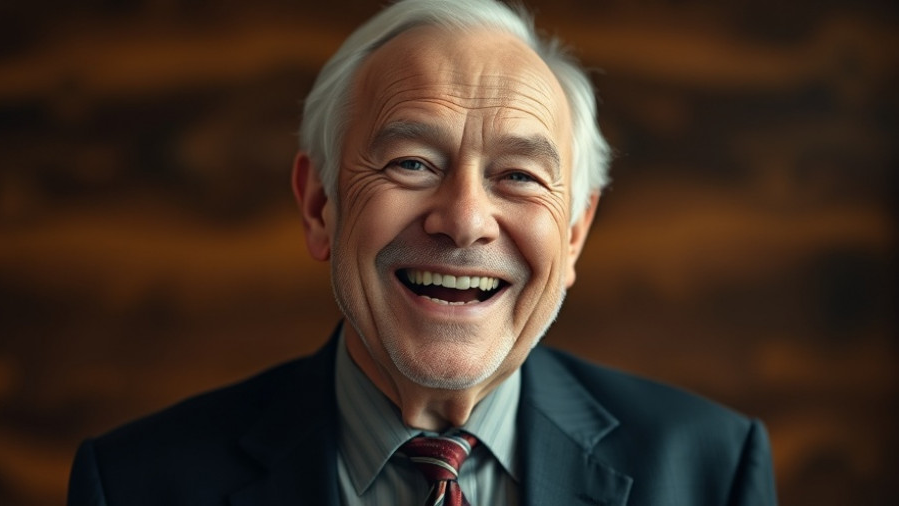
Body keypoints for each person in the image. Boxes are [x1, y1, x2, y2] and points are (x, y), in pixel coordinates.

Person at [67, 0, 777, 504]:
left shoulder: (710, 472)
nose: (465, 220)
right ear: (320, 205)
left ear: (573, 233)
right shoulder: (133, 484)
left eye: (520, 176)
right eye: (412, 163)